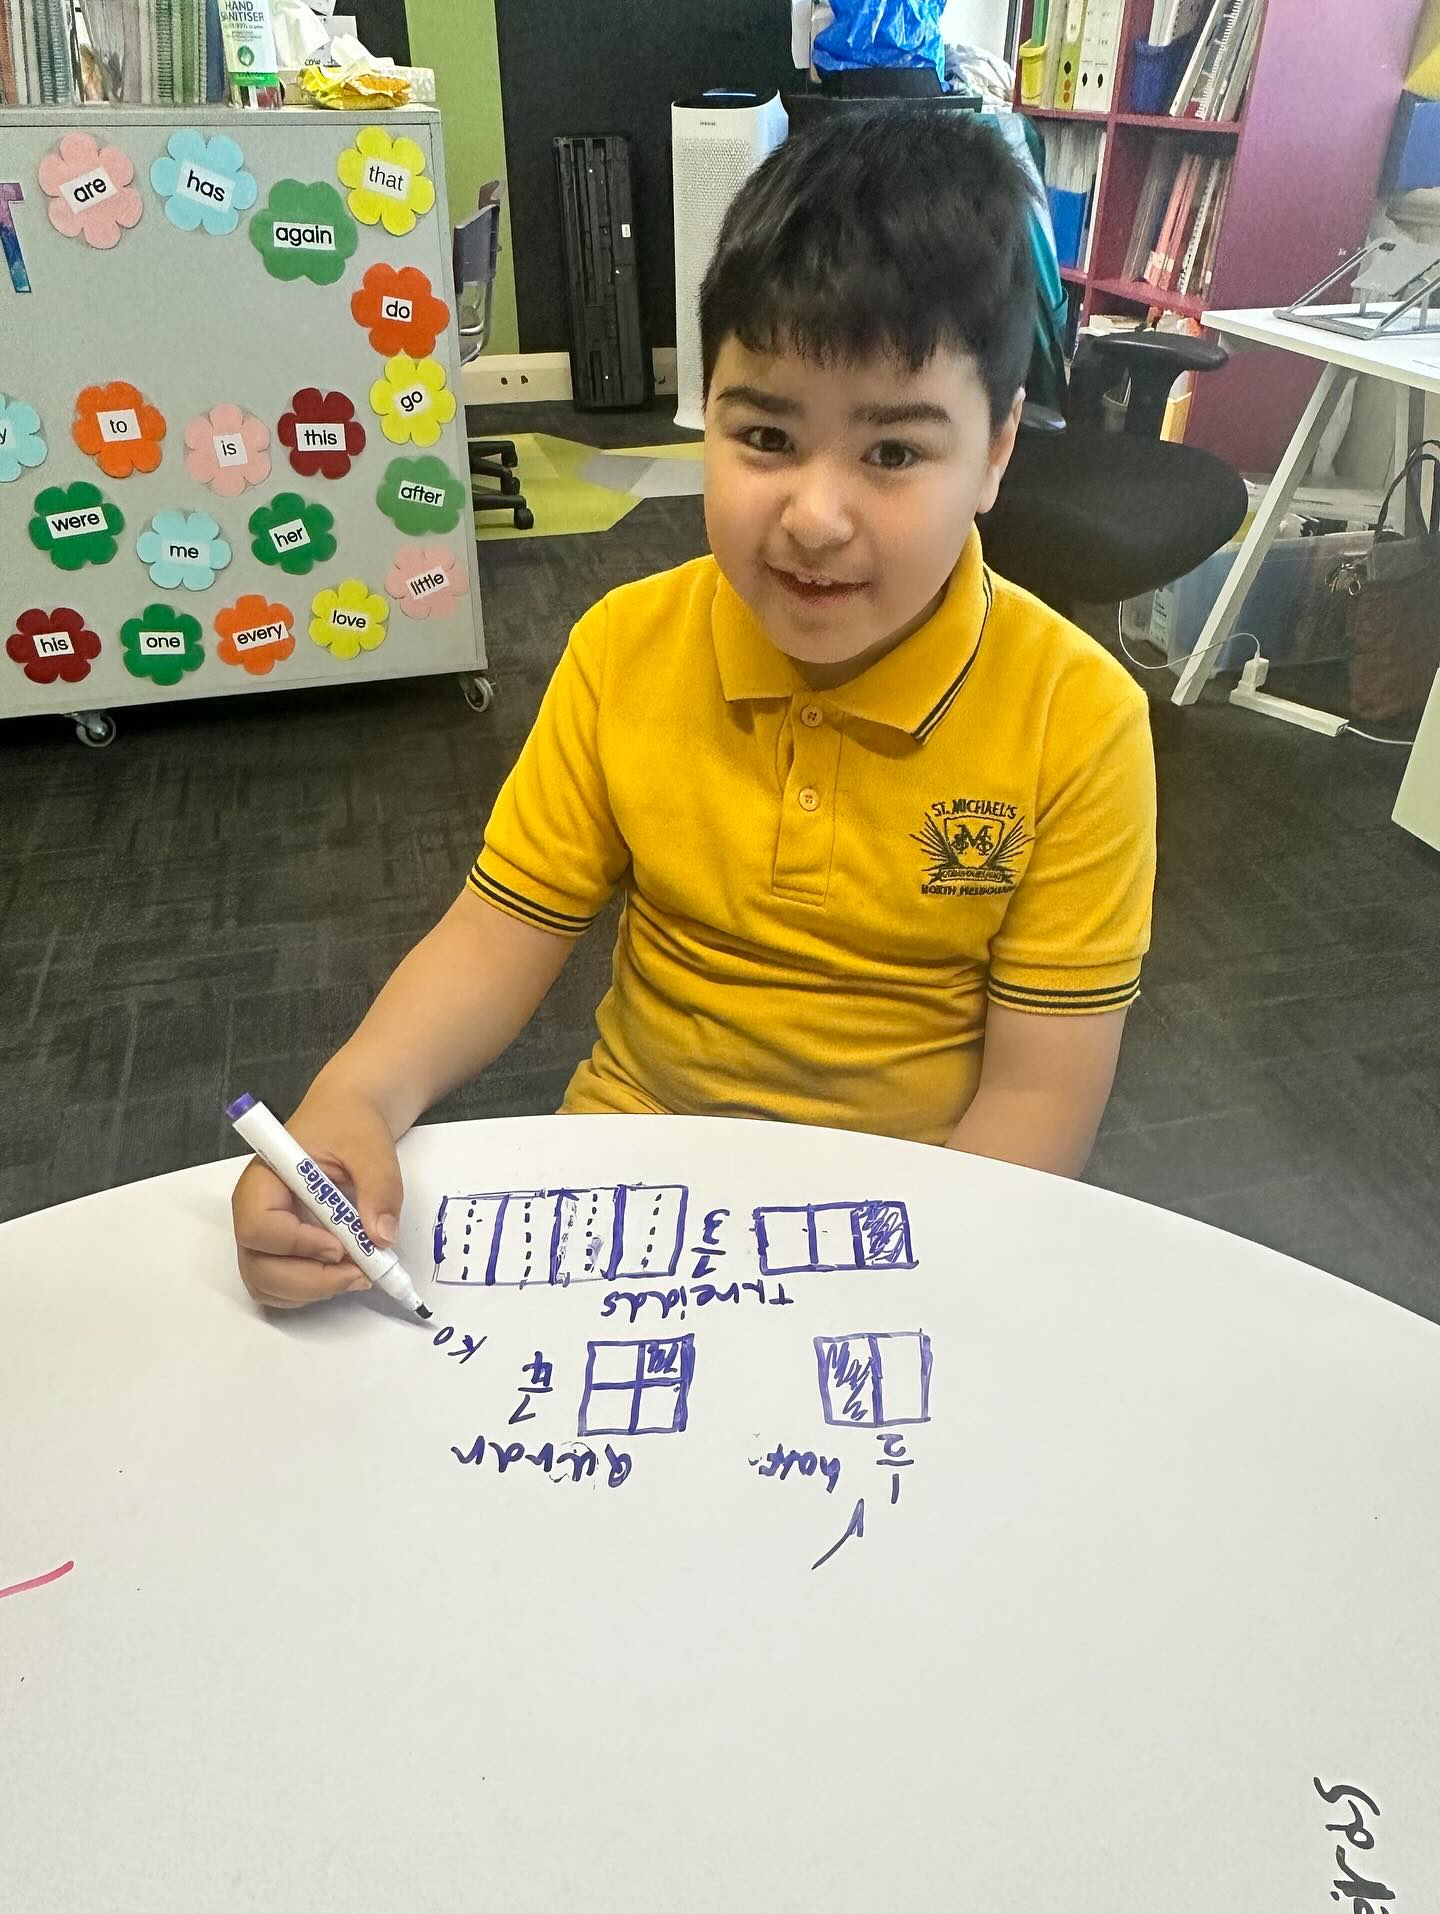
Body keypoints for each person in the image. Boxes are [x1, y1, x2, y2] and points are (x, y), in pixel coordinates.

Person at [232, 108, 1157, 1309]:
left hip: (900, 1217)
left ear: (993, 454)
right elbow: (498, 932)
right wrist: (355, 1096)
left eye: (891, 454)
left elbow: (1039, 1101)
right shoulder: (626, 648)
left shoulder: (1078, 720)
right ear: (702, 413)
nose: (814, 516)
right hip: (630, 1171)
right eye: (764, 433)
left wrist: (880, 1284)